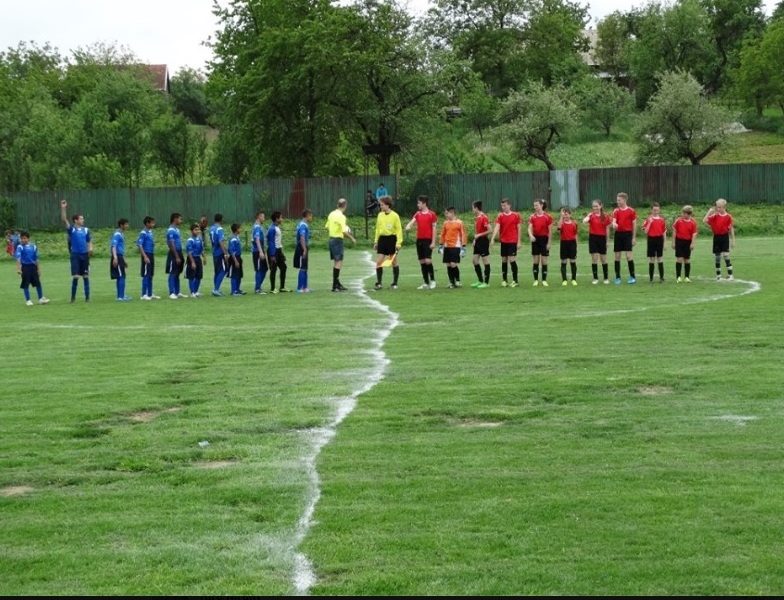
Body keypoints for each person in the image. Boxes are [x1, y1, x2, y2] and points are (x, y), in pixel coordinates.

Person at [60, 199, 93, 303]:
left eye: (83, 219)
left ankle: (87, 298)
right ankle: (73, 298)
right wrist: (63, 208)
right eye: (81, 219)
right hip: (75, 255)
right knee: (76, 277)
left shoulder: (86, 230)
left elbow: (89, 240)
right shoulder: (72, 229)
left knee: (86, 276)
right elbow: (64, 219)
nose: (83, 220)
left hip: (85, 255)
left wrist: (90, 248)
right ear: (76, 220)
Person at [405, 195, 438, 289]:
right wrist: (408, 226)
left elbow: (434, 228)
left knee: (428, 260)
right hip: (419, 240)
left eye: (419, 203)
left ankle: (432, 280)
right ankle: (425, 282)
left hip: (428, 240)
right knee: (422, 261)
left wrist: (433, 242)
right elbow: (412, 221)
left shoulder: (432, 214)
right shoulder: (417, 214)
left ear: (424, 203)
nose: (417, 205)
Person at [489, 198, 522, 288]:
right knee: (504, 260)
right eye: (502, 206)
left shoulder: (516, 215)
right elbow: (497, 227)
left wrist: (519, 241)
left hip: (512, 241)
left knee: (512, 259)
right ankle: (504, 280)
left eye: (505, 205)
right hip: (503, 241)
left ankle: (515, 281)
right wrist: (493, 238)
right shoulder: (500, 216)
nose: (503, 207)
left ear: (509, 205)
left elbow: (519, 228)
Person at [325, 198, 356, 292]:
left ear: (337, 205)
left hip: (331, 239)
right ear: (345, 205)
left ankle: (337, 283)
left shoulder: (331, 214)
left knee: (336, 262)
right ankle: (334, 285)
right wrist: (352, 238)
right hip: (337, 240)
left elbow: (327, 227)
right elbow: (344, 231)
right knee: (339, 262)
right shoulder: (342, 216)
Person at [373, 196, 403, 290]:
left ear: (387, 205)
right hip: (382, 240)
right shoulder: (380, 215)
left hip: (391, 240)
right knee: (379, 262)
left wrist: (398, 243)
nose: (380, 206)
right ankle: (379, 283)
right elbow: (378, 229)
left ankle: (395, 283)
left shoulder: (395, 216)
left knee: (393, 261)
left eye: (382, 204)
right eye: (380, 204)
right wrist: (376, 241)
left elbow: (399, 230)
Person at [704, 198, 735, 281]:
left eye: (720, 207)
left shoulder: (728, 217)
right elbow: (705, 221)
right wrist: (709, 212)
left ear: (724, 207)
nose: (718, 209)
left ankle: (730, 275)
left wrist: (733, 241)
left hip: (724, 237)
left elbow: (731, 229)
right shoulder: (715, 216)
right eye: (717, 207)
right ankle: (718, 276)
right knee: (717, 257)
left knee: (726, 255)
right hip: (716, 237)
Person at [15, 231, 49, 306]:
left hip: (33, 267)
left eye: (25, 238)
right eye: (22, 238)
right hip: (25, 267)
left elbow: (36, 259)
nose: (23, 240)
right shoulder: (20, 247)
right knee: (25, 283)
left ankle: (40, 299)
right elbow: (18, 258)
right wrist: (18, 269)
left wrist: (39, 269)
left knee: (38, 283)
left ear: (28, 238)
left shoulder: (33, 246)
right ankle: (28, 300)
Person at [583, 200, 612, 284]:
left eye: (596, 206)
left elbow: (607, 229)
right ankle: (595, 278)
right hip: (593, 238)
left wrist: (607, 241)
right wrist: (588, 216)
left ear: (600, 206)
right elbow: (584, 222)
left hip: (602, 238)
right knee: (594, 258)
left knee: (603, 259)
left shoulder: (605, 216)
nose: (595, 208)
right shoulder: (591, 215)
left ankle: (606, 278)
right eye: (593, 206)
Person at [611, 192, 637, 284]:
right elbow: (613, 221)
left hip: (628, 235)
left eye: (619, 200)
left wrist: (634, 238)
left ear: (624, 200)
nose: (617, 201)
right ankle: (617, 277)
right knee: (617, 256)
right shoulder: (616, 211)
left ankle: (632, 277)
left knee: (628, 256)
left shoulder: (631, 211)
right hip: (618, 235)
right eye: (617, 200)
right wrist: (614, 224)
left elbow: (634, 225)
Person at [439, 207, 468, 288]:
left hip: (456, 246)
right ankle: (452, 282)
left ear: (452, 213)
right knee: (448, 264)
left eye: (447, 213)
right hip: (447, 246)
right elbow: (442, 234)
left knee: (453, 264)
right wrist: (441, 245)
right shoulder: (445, 223)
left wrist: (463, 247)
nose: (446, 215)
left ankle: (458, 280)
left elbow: (463, 234)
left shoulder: (459, 223)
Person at [528, 199, 553, 287]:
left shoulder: (548, 216)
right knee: (536, 260)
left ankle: (544, 280)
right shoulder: (532, 216)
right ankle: (535, 280)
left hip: (544, 239)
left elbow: (550, 231)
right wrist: (531, 235)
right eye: (534, 206)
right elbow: (529, 228)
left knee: (544, 260)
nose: (535, 207)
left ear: (541, 205)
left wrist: (549, 243)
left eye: (537, 205)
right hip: (535, 239)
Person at [672, 205, 698, 283]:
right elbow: (674, 230)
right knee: (679, 259)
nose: (682, 215)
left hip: (688, 242)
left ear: (688, 214)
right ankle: (678, 277)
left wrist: (692, 243)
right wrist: (673, 242)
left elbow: (694, 234)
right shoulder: (678, 221)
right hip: (679, 241)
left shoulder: (693, 222)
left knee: (687, 260)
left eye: (684, 213)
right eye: (682, 213)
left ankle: (687, 277)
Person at [267, 211, 291, 293]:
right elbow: (271, 242)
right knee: (273, 269)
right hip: (274, 251)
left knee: (284, 267)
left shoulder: (277, 227)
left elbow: (278, 241)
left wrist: (281, 252)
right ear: (277, 219)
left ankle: (282, 287)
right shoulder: (272, 229)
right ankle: (273, 288)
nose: (282, 219)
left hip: (279, 251)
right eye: (281, 217)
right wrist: (272, 255)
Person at [642, 202, 667, 283]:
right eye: (654, 210)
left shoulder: (662, 220)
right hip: (651, 239)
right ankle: (651, 278)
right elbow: (645, 232)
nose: (655, 211)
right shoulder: (648, 219)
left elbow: (664, 232)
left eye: (657, 210)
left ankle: (661, 278)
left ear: (659, 210)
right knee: (652, 259)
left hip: (659, 239)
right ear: (651, 210)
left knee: (660, 258)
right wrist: (650, 222)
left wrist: (665, 243)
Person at [137, 216, 159, 300]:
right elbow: (139, 244)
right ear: (147, 223)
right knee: (146, 274)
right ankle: (144, 294)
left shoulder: (150, 232)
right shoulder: (143, 232)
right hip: (146, 254)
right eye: (152, 222)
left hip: (151, 254)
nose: (153, 224)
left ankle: (150, 293)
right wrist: (145, 256)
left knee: (150, 274)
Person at [471, 200, 491, 288]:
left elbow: (490, 230)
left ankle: (486, 283)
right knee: (474, 260)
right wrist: (475, 240)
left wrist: (479, 235)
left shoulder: (484, 217)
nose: (472, 210)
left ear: (476, 208)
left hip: (483, 241)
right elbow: (477, 230)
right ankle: (480, 280)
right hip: (478, 241)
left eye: (472, 208)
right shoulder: (477, 217)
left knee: (485, 261)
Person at [110, 218, 132, 301]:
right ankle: (120, 297)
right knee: (121, 276)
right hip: (117, 256)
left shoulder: (121, 234)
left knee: (121, 276)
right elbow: (113, 246)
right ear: (121, 225)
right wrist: (115, 257)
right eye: (126, 224)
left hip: (120, 257)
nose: (127, 226)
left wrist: (124, 260)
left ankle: (121, 295)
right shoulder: (117, 234)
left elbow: (120, 248)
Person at [166, 212, 186, 300]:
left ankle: (177, 292)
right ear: (175, 219)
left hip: (179, 251)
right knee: (173, 273)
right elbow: (171, 243)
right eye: (180, 219)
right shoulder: (170, 230)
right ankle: (171, 293)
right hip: (174, 253)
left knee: (177, 273)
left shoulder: (177, 229)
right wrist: (176, 256)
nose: (181, 221)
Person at [209, 213, 230, 297]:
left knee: (217, 271)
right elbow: (221, 242)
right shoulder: (219, 229)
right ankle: (216, 289)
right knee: (224, 270)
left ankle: (216, 289)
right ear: (221, 219)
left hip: (214, 252)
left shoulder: (212, 228)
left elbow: (212, 240)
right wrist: (226, 253)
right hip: (219, 252)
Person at [557, 208, 578, 286]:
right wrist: (561, 217)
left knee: (573, 261)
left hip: (572, 243)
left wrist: (576, 245)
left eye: (566, 214)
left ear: (570, 214)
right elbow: (558, 229)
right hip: (564, 243)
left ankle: (574, 279)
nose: (565, 216)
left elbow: (576, 234)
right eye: (564, 214)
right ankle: (564, 280)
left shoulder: (574, 223)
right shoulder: (561, 223)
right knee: (564, 262)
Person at [294, 209, 313, 293]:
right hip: (301, 248)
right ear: (307, 216)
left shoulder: (304, 224)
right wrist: (304, 249)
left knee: (305, 268)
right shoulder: (302, 225)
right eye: (311, 216)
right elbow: (302, 237)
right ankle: (300, 287)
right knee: (302, 268)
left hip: (304, 247)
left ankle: (305, 287)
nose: (311, 218)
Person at [251, 211, 268, 294]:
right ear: (259, 217)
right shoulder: (257, 227)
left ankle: (258, 287)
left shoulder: (259, 226)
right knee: (259, 269)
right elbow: (257, 239)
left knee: (264, 269)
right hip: (257, 251)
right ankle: (257, 289)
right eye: (263, 217)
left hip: (261, 251)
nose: (264, 219)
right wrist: (261, 251)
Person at [185, 223, 204, 297]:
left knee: (199, 276)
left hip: (198, 258)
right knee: (191, 276)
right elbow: (189, 252)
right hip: (192, 258)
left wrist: (204, 257)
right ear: (191, 231)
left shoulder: (199, 239)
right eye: (195, 230)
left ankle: (196, 291)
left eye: (198, 229)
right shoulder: (190, 240)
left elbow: (201, 249)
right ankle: (192, 292)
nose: (197, 231)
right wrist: (192, 262)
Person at [228, 223, 246, 296]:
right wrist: (235, 261)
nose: (241, 229)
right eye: (239, 228)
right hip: (234, 258)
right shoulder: (233, 239)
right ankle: (233, 291)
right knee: (234, 275)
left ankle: (237, 289)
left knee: (239, 275)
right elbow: (231, 251)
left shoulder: (237, 237)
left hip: (238, 257)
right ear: (236, 229)